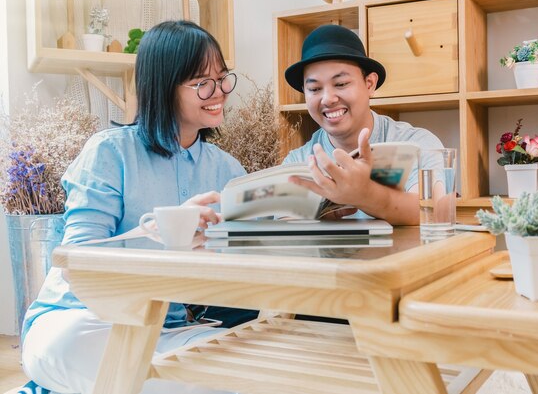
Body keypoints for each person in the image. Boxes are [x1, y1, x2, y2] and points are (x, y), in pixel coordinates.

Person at [20, 20, 253, 394]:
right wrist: (164, 235)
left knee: (246, 378)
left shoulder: (228, 170)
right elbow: (77, 260)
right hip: (80, 322)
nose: (219, 92)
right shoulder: (110, 152)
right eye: (202, 83)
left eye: (223, 78)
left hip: (167, 330)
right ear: (163, 87)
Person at [283, 24, 444, 225]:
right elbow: (286, 230)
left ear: (370, 84)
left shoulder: (417, 144)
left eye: (341, 84)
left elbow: (432, 211)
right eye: (315, 88)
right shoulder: (297, 162)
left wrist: (364, 195)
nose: (327, 99)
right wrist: (321, 216)